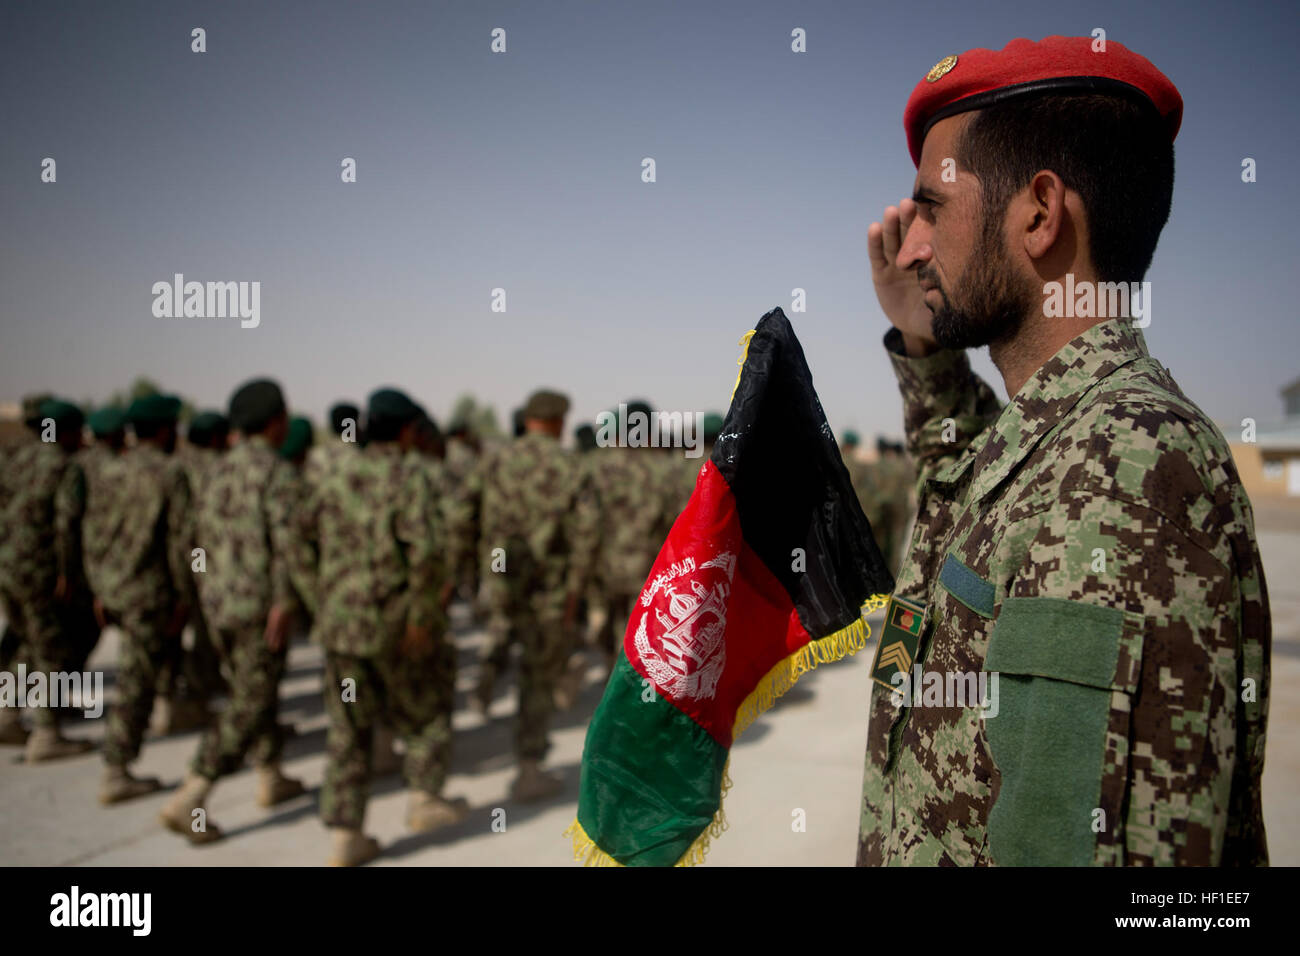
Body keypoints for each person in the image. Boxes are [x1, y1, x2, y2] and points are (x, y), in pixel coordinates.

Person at [857, 36, 1269, 866]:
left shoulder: (1130, 461)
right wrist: (926, 343)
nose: (910, 248)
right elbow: (961, 481)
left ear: (1039, 213)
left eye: (931, 210)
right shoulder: (1061, 436)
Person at [289, 389, 468, 866]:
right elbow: (426, 553)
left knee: (348, 728)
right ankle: (424, 799)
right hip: (393, 627)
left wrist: (319, 603)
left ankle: (346, 836)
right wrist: (421, 618)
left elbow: (297, 541)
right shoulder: (411, 476)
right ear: (408, 431)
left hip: (341, 628)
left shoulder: (331, 471)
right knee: (427, 709)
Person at [159, 379, 306, 845]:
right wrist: (285, 599)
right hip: (260, 607)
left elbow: (190, 541)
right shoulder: (277, 473)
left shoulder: (214, 471)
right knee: (250, 700)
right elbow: (289, 545)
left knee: (254, 690)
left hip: (219, 605)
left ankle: (270, 774)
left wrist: (200, 592)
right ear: (275, 421)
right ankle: (192, 794)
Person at [463, 389, 599, 800]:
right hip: (549, 593)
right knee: (537, 678)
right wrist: (575, 589)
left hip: (502, 583)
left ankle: (483, 688)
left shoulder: (493, 460)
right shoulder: (569, 466)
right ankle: (528, 768)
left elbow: (460, 515)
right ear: (558, 422)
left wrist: (473, 572)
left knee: (502, 638)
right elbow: (588, 533)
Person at [81, 394, 194, 804]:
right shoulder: (170, 473)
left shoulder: (109, 471)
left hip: (113, 589)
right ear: (164, 430)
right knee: (135, 678)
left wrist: (99, 587)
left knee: (137, 671)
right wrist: (185, 595)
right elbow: (183, 543)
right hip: (149, 594)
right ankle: (116, 769)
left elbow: (92, 534)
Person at [0, 399, 95, 761]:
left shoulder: (14, 459)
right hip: (39, 572)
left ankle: (7, 716)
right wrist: (67, 572)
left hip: (7, 567)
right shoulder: (63, 466)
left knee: (27, 640)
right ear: (66, 432)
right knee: (52, 649)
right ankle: (46, 734)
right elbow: (66, 524)